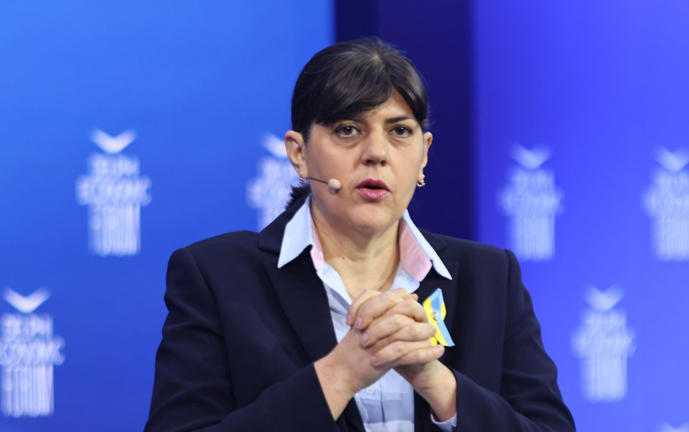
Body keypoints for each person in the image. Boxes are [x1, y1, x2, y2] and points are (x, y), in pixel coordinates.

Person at [146, 38, 575, 432]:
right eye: (348, 130)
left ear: (424, 154)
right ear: (299, 153)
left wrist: (437, 382)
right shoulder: (218, 277)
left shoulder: (490, 277)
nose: (376, 153)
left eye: (399, 131)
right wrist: (340, 374)